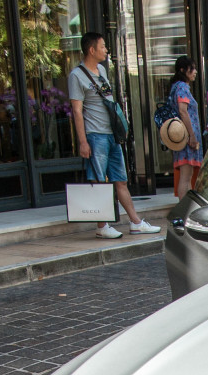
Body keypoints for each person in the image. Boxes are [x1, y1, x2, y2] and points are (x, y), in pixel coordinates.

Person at [68, 32, 160, 238]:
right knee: (100, 182)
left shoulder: (101, 70)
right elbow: (76, 111)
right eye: (103, 46)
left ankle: (135, 222)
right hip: (95, 135)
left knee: (121, 180)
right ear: (92, 50)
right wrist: (83, 141)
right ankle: (102, 226)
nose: (106, 50)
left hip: (111, 134)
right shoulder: (76, 76)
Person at [169, 56, 203, 197]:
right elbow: (183, 111)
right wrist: (192, 135)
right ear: (183, 70)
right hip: (187, 138)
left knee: (187, 176)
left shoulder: (176, 87)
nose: (195, 71)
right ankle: (185, 212)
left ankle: (186, 211)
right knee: (186, 176)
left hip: (182, 136)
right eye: (192, 68)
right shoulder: (182, 87)